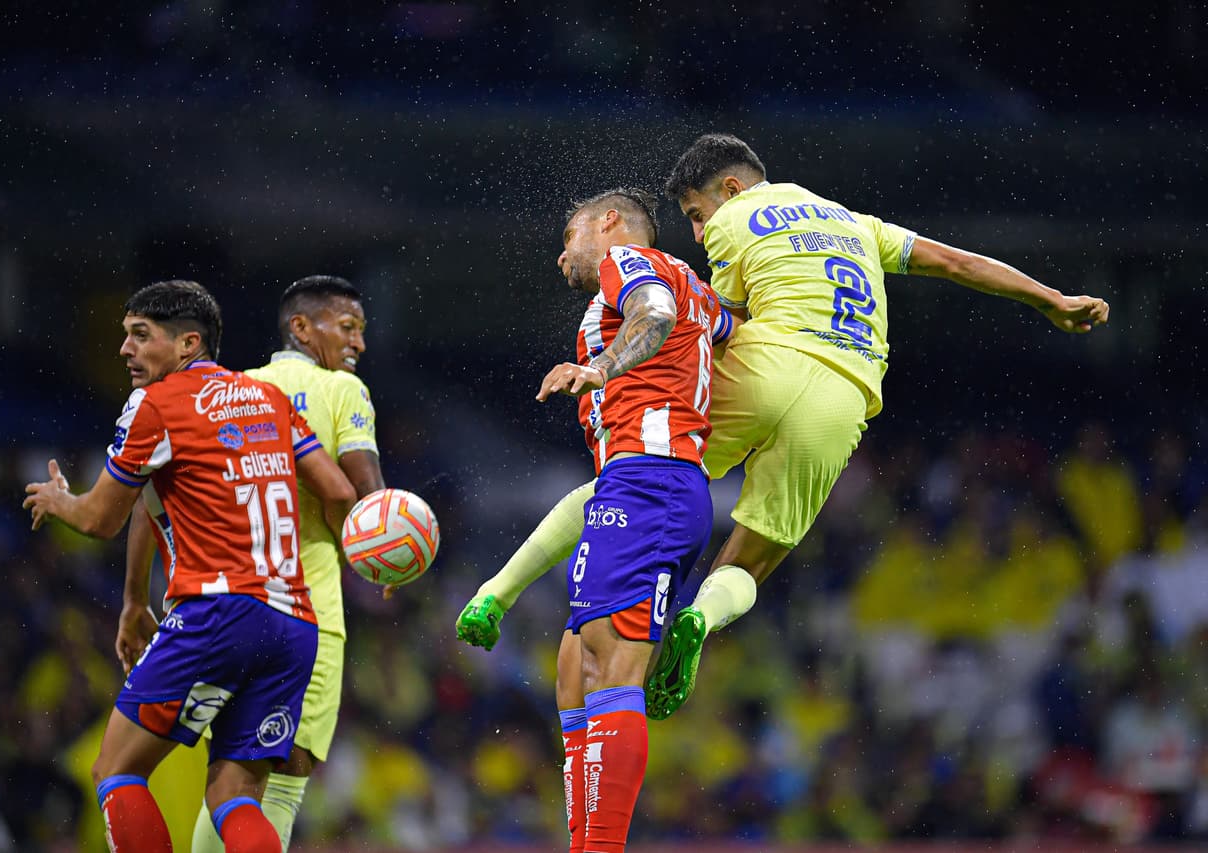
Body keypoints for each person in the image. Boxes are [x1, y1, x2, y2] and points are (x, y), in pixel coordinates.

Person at [459, 133, 1111, 722]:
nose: (695, 227)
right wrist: (1049, 299)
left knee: (633, 469)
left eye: (693, 212)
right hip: (846, 397)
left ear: (731, 188)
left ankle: (500, 589)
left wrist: (615, 367)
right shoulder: (856, 224)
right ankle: (699, 621)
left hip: (769, 363)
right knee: (755, 554)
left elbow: (713, 321)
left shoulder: (734, 221)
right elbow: (956, 262)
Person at [23, 280, 357, 853]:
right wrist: (134, 602)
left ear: (187, 344)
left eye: (140, 336)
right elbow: (340, 491)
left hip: (216, 612)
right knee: (233, 793)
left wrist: (60, 501)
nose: (125, 350)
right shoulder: (268, 401)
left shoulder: (159, 406)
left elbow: (102, 518)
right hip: (295, 624)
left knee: (117, 769)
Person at [115, 276, 385, 852]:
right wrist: (380, 560)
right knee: (271, 784)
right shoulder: (343, 390)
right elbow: (362, 497)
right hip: (304, 615)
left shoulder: (240, 388)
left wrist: (135, 597)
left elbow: (148, 498)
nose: (359, 344)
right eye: (349, 327)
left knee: (224, 780)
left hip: (216, 611)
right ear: (301, 327)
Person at [517, 187, 732, 853]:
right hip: (639, 486)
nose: (561, 255)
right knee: (576, 664)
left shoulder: (633, 264)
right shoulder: (694, 285)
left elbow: (657, 314)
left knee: (610, 661)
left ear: (608, 223)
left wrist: (600, 366)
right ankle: (585, 843)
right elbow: (731, 324)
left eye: (570, 233)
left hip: (651, 480)